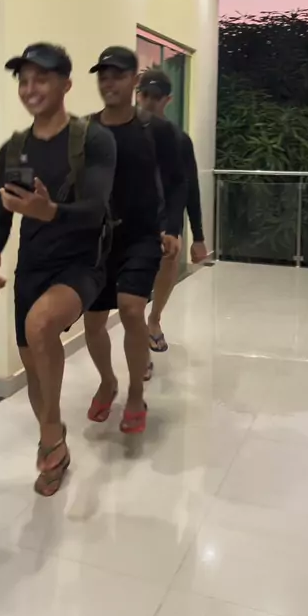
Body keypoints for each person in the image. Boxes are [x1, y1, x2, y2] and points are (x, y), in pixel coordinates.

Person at [0, 42, 116, 496]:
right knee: (35, 368)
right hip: (33, 267)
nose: (30, 88)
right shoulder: (14, 149)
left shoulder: (92, 140)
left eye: (41, 78)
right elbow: (1, 213)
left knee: (40, 325)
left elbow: (95, 209)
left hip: (82, 262)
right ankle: (56, 445)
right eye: (23, 80)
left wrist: (50, 211)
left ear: (66, 84)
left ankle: (50, 434)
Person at [83, 46, 186, 434]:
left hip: (141, 235)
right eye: (103, 76)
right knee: (93, 320)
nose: (109, 83)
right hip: (97, 239)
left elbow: (176, 182)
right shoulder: (85, 130)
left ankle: (135, 394)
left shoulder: (155, 130)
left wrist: (172, 227)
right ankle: (107, 381)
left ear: (133, 81)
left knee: (130, 309)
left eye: (118, 76)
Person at [137, 67, 208, 353]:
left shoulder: (179, 139)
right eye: (145, 95)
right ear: (138, 95)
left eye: (157, 97)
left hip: (167, 219)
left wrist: (198, 236)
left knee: (167, 264)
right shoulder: (121, 133)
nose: (150, 102)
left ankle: (154, 319)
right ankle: (139, 340)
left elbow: (190, 187)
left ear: (168, 100)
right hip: (132, 218)